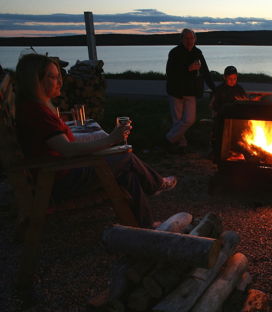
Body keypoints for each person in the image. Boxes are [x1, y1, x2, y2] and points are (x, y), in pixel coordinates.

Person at [14, 53, 177, 229]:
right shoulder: (38, 113)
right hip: (59, 180)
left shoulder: (34, 107)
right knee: (125, 158)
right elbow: (67, 150)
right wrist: (111, 139)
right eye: (52, 77)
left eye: (58, 76)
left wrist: (108, 142)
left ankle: (145, 225)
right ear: (35, 81)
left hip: (58, 173)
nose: (60, 82)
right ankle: (155, 184)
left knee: (128, 173)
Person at [165, 28, 216, 154]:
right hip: (175, 91)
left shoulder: (197, 52)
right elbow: (170, 72)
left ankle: (168, 139)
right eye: (186, 38)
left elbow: (205, 71)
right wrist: (188, 68)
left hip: (190, 91)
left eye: (191, 38)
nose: (189, 41)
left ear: (195, 39)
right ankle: (181, 144)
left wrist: (215, 88)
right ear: (182, 39)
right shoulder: (175, 52)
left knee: (189, 120)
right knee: (177, 121)